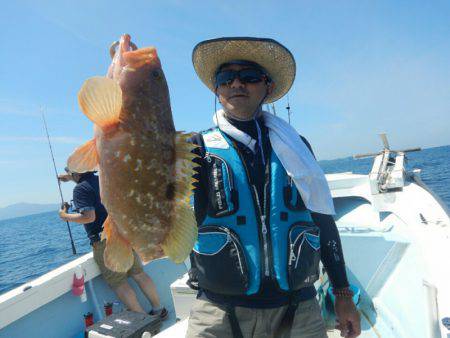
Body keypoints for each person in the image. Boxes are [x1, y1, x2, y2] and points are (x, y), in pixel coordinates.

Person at [186, 37, 361, 338]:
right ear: (217, 89)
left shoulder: (299, 148)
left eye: (249, 77)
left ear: (267, 87)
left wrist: (342, 294)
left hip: (298, 309)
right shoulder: (195, 149)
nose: (236, 84)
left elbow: (322, 221)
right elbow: (168, 210)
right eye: (226, 78)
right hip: (218, 311)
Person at [58, 168, 167, 319]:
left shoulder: (80, 190)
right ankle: (159, 309)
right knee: (139, 274)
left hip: (105, 242)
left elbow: (89, 217)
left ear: (76, 173)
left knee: (119, 283)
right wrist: (70, 177)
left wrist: (65, 216)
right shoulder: (103, 181)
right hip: (122, 236)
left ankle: (145, 321)